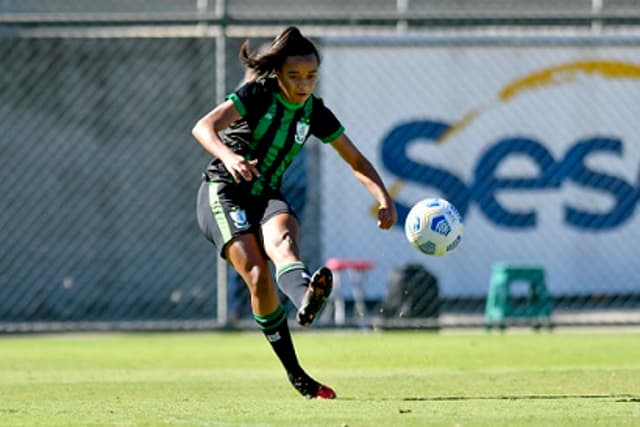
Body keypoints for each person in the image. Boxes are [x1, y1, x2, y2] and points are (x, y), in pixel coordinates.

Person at [192, 26, 397, 400]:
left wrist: (383, 196)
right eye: (294, 76)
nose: (304, 84)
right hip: (223, 192)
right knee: (258, 275)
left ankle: (305, 298)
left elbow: (355, 159)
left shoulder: (314, 112)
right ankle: (295, 371)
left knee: (285, 241)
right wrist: (230, 156)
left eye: (311, 76)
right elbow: (203, 127)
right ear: (278, 74)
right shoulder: (256, 94)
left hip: (266, 194)